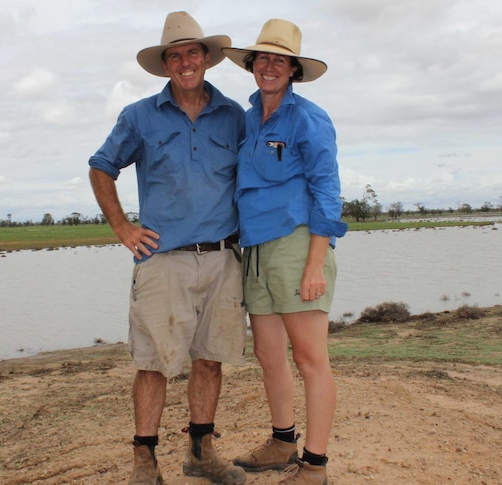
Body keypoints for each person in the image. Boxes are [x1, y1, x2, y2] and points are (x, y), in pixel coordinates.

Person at [88, 11, 248, 485]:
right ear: (165, 65)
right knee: (152, 362)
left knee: (210, 358)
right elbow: (101, 167)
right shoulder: (139, 115)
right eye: (174, 55)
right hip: (162, 261)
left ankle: (201, 453)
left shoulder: (234, 115)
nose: (184, 62)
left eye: (191, 53)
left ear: (207, 59)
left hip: (223, 258)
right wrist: (122, 227)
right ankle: (145, 461)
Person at [222, 19, 348, 485]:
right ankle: (281, 442)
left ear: (293, 69)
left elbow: (328, 192)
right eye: (263, 59)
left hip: (297, 246)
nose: (269, 67)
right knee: (269, 355)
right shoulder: (249, 117)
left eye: (280, 59)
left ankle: (314, 466)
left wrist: (316, 261)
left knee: (310, 358)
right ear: (253, 66)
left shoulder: (308, 118)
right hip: (254, 250)